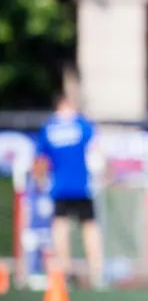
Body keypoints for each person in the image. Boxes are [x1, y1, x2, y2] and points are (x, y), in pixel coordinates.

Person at [33, 93, 104, 288]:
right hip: (83, 185)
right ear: (68, 104)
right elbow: (96, 149)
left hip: (59, 186)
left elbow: (40, 160)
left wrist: (40, 182)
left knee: (60, 227)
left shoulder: (49, 127)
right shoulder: (82, 124)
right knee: (89, 227)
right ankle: (96, 270)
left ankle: (64, 271)